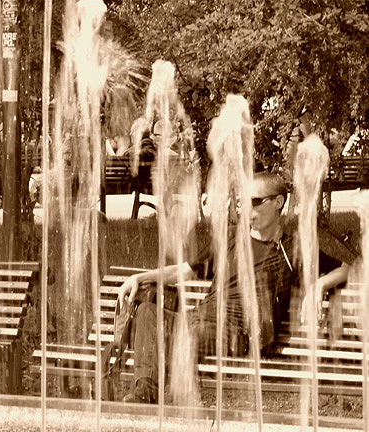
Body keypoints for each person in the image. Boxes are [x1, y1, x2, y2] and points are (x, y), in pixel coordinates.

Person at [117, 171, 350, 403]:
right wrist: (140, 277)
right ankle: (145, 393)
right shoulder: (230, 239)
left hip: (238, 332)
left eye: (255, 202)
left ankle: (158, 397)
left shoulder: (292, 248)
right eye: (242, 202)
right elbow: (185, 270)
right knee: (147, 313)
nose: (246, 209)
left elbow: (345, 268)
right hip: (200, 320)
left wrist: (320, 285)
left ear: (278, 202)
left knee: (174, 336)